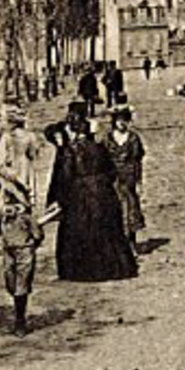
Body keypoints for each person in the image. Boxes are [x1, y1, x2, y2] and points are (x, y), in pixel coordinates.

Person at [47, 104, 138, 282]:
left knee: (79, 231)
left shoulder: (70, 150)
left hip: (80, 193)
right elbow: (111, 171)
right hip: (103, 191)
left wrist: (60, 198)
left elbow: (65, 176)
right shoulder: (99, 147)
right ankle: (111, 268)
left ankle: (83, 271)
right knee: (107, 230)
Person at [0, 173, 45, 335]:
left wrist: (32, 244)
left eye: (12, 200)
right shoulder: (2, 216)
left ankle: (20, 320)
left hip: (24, 251)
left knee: (21, 285)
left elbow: (38, 234)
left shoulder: (26, 217)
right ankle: (18, 304)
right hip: (9, 252)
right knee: (10, 282)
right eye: (6, 199)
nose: (9, 204)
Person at [104, 106, 147, 250]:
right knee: (113, 209)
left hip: (129, 178)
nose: (121, 123)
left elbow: (137, 160)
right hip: (112, 178)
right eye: (119, 120)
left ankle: (131, 243)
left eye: (124, 120)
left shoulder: (133, 138)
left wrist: (139, 181)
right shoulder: (107, 138)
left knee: (130, 209)